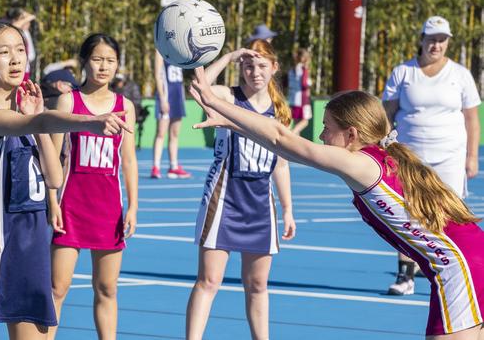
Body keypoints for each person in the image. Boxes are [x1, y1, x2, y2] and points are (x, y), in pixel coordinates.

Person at [189, 66, 484, 340]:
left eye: (327, 128)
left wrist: (217, 103)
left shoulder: (362, 164)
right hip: (472, 257)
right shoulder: (386, 158)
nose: (321, 135)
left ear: (351, 134)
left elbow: (283, 140)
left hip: (457, 268)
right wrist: (233, 124)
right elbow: (282, 144)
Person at [0, 22, 130, 340]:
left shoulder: (27, 116)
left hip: (28, 247)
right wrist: (90, 121)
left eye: (20, 50)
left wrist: (39, 122)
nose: (16, 59)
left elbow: (55, 177)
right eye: (4, 53)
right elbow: (35, 120)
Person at [186, 40, 296, 340]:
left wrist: (287, 209)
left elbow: (281, 164)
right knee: (209, 280)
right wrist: (231, 55)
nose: (255, 72)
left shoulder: (280, 111)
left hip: (261, 203)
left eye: (262, 65)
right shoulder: (228, 98)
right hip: (224, 197)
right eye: (248, 65)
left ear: (274, 68)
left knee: (258, 285)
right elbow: (198, 87)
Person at [48, 33, 138, 340]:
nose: (103, 67)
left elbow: (128, 161)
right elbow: (55, 157)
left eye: (110, 61)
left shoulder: (124, 105)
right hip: (70, 207)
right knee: (57, 287)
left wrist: (134, 207)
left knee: (107, 288)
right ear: (85, 61)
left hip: (108, 210)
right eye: (97, 59)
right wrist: (52, 201)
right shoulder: (67, 101)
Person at [382, 15, 481, 296]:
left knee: (450, 213)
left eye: (441, 40)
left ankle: (459, 270)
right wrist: (389, 148)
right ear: (422, 40)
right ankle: (406, 275)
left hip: (450, 156)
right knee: (408, 214)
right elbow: (386, 114)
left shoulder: (460, 75)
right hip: (411, 157)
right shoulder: (403, 72)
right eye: (431, 39)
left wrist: (471, 157)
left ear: (447, 42)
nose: (436, 45)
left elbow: (472, 119)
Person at [150, 49, 191, 179]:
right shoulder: (160, 50)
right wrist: (162, 99)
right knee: (161, 133)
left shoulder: (179, 50)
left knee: (174, 134)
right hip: (166, 97)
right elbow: (158, 75)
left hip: (177, 97)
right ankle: (156, 167)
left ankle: (173, 166)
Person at [287, 48, 312, 135]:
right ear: (305, 58)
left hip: (292, 98)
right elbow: (305, 84)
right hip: (302, 99)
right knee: (305, 122)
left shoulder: (292, 69)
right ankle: (290, 134)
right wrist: (309, 85)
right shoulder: (303, 69)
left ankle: (293, 142)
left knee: (297, 122)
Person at [4, 8, 36, 72]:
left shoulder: (25, 32)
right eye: (23, 19)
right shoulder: (10, 31)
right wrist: (28, 17)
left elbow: (31, 56)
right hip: (14, 69)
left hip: (24, 69)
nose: (27, 23)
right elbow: (13, 26)